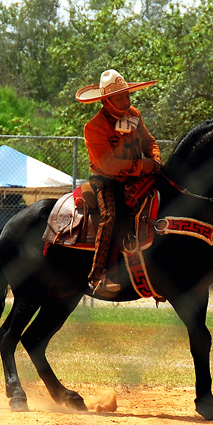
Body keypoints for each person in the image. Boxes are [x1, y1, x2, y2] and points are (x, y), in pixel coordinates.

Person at [75, 69, 163, 296]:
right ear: (106, 101)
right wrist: (143, 166)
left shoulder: (134, 113)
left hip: (140, 175)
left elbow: (149, 142)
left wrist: (155, 159)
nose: (126, 101)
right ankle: (100, 275)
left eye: (127, 95)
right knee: (111, 216)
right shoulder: (93, 127)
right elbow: (109, 165)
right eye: (120, 97)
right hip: (106, 181)